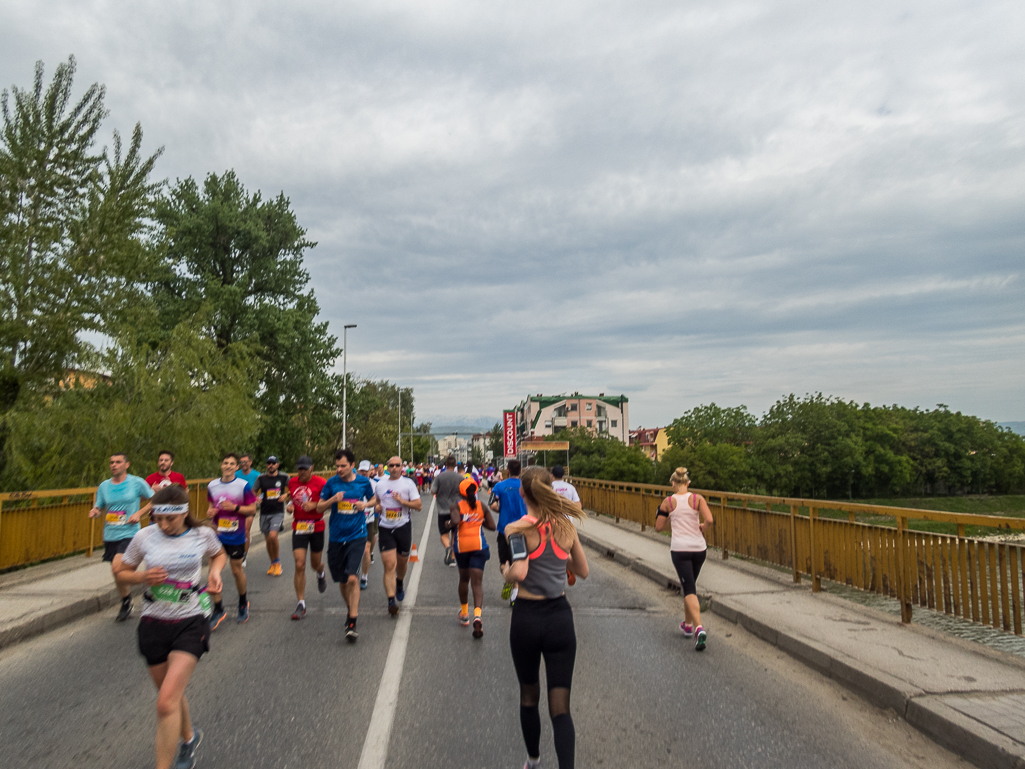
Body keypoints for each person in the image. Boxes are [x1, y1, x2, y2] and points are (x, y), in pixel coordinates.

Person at [115, 484, 226, 769]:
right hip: (154, 622)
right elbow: (121, 572)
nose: (162, 524)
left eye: (170, 518)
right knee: (170, 694)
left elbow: (219, 553)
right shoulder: (144, 536)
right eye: (157, 518)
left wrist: (214, 572)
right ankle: (188, 739)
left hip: (190, 621)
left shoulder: (202, 534)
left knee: (165, 702)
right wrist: (143, 578)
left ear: (184, 513)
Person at [503, 467, 589, 769]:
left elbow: (520, 572)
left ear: (522, 493)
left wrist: (505, 574)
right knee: (560, 707)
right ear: (550, 489)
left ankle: (534, 760)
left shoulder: (516, 529)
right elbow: (583, 570)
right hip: (560, 619)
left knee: (529, 695)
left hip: (527, 618)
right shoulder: (566, 527)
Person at [317, 448, 376, 642]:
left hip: (357, 535)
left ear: (352, 465)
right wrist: (334, 499)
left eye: (343, 466)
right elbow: (319, 507)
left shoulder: (363, 482)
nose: (339, 469)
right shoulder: (331, 483)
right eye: (337, 466)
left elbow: (374, 499)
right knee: (342, 581)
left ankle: (352, 621)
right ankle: (350, 608)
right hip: (336, 536)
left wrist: (365, 505)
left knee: (352, 579)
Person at [89, 453, 155, 621]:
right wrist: (95, 511)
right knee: (119, 572)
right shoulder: (104, 486)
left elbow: (155, 499)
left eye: (118, 462)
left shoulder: (136, 482)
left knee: (117, 569)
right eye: (112, 462)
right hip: (111, 534)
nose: (114, 465)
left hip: (130, 533)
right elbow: (99, 506)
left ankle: (151, 586)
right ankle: (127, 601)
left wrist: (139, 513)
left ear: (127, 465)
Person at [655, 467, 714, 651]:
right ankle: (687, 625)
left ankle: (699, 628)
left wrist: (662, 512)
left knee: (688, 588)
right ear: (688, 483)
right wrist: (703, 527)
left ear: (673, 483)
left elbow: (658, 527)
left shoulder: (668, 502)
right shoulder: (698, 499)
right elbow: (710, 520)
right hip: (699, 549)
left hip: (680, 550)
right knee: (690, 586)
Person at [205, 453, 258, 629]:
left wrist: (235, 507)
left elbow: (252, 508)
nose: (228, 466)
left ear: (236, 467)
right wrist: (210, 513)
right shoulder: (212, 485)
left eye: (232, 464)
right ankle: (218, 609)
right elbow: (211, 506)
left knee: (236, 571)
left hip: (236, 535)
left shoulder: (243, 485)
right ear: (221, 465)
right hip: (217, 535)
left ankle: (243, 602)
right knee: (212, 573)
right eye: (225, 463)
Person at [445, 477, 495, 638]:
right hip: (479, 547)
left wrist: (448, 525)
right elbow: (493, 527)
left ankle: (465, 613)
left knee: (464, 580)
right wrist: (479, 521)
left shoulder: (456, 506)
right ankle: (478, 615)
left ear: (461, 492)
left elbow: (455, 521)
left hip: (462, 548)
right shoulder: (482, 506)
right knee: (478, 583)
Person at [375, 455, 422, 616]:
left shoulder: (408, 484)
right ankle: (390, 601)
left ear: (402, 467)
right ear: (387, 467)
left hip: (403, 526)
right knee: (389, 565)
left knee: (401, 564)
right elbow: (376, 502)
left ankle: (400, 582)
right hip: (385, 527)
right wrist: (377, 507)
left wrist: (403, 502)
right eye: (391, 465)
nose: (394, 468)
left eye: (397, 465)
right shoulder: (380, 485)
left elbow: (418, 506)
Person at [287, 456, 327, 620]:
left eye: (305, 468)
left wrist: (315, 506)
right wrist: (289, 505)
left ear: (312, 468)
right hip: (299, 526)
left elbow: (327, 503)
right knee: (300, 564)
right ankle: (301, 603)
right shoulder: (292, 482)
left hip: (316, 526)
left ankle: (320, 572)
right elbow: (292, 497)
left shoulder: (321, 483)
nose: (301, 472)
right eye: (299, 468)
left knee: (314, 563)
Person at [490, 459, 528, 604]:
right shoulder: (525, 486)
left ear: (507, 471)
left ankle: (507, 577)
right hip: (522, 528)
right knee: (518, 560)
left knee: (503, 561)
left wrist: (501, 509)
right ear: (521, 471)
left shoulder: (499, 486)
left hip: (504, 529)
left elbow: (492, 504)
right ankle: (515, 593)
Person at [254, 456, 289, 577]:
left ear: (277, 465)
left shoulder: (284, 477)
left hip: (278, 512)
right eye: (269, 463)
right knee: (268, 540)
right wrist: (255, 499)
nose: (271, 465)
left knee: (273, 536)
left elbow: (294, 488)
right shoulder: (261, 478)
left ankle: (278, 562)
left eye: (273, 463)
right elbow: (253, 492)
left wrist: (286, 495)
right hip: (264, 512)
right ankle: (272, 563)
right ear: (266, 465)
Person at [431, 455, 462, 566]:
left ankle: (448, 548)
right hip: (456, 510)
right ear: (455, 465)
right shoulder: (460, 478)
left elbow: (433, 491)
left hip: (443, 509)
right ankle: (452, 558)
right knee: (455, 534)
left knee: (444, 534)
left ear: (445, 464)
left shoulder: (440, 477)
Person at [357, 459, 379, 590]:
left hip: (369, 520)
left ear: (371, 471)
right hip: (354, 521)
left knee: (366, 550)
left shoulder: (374, 484)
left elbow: (378, 499)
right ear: (359, 470)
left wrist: (376, 505)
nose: (364, 472)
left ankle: (364, 576)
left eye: (367, 470)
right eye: (362, 470)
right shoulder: (353, 483)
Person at [236, 453, 261, 566]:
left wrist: (259, 498)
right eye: (241, 462)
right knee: (237, 530)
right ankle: (241, 545)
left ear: (250, 462)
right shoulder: (236, 474)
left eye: (245, 462)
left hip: (250, 506)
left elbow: (265, 488)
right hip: (236, 506)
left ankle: (244, 556)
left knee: (245, 530)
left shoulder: (257, 475)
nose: (243, 464)